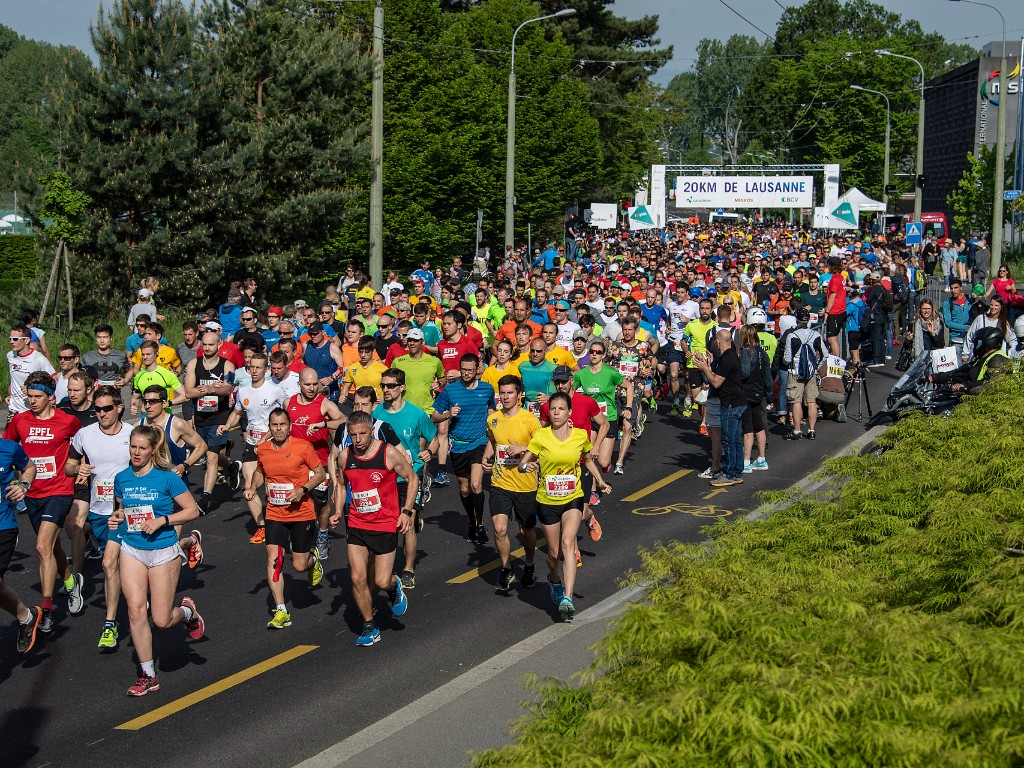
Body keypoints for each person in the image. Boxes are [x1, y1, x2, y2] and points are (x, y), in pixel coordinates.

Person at [109, 425, 205, 696]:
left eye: (142, 448)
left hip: (163, 551)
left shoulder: (166, 478)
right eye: (132, 446)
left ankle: (188, 613)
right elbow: (122, 511)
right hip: (132, 549)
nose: (136, 452)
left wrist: (163, 520)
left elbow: (191, 511)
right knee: (136, 611)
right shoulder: (122, 478)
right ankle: (148, 675)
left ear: (152, 450)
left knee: (161, 620)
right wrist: (117, 518)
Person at [518, 392, 612, 621]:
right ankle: (554, 579)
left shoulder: (580, 436)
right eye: (553, 409)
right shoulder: (541, 436)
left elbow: (587, 459)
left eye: (561, 409)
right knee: (554, 554)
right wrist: (526, 467)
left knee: (568, 542)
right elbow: (523, 463)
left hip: (572, 497)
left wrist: (600, 481)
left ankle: (567, 599)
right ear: (549, 413)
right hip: (547, 500)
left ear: (569, 412)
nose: (557, 413)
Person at [3, 371, 84, 632]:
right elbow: (7, 451)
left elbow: (82, 447)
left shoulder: (67, 421)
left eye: (38, 396)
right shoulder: (20, 421)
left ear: (51, 397)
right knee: (51, 547)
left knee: (41, 546)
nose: (32, 401)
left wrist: (82, 470)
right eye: (29, 396)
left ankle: (46, 609)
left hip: (59, 490)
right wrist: (16, 481)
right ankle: (71, 581)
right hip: (33, 494)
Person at [330, 411, 417, 647]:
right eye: (353, 435)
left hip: (385, 523)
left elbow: (412, 478)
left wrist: (406, 511)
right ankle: (369, 625)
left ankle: (393, 586)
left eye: (362, 434)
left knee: (380, 581)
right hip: (357, 522)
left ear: (371, 431)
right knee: (357, 578)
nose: (357, 439)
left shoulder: (387, 453)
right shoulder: (345, 456)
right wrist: (338, 510)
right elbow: (340, 484)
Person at [65, 385, 135, 650]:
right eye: (98, 409)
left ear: (119, 407)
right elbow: (70, 465)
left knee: (109, 564)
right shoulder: (85, 435)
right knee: (114, 564)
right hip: (98, 510)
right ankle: (135, 602)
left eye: (107, 408)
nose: (102, 413)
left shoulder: (131, 434)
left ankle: (109, 623)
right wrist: (78, 467)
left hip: (127, 511)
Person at [244, 409, 326, 629]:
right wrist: (252, 487)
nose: (278, 429)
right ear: (269, 427)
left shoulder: (303, 447)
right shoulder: (263, 449)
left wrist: (303, 489)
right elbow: (260, 472)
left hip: (302, 513)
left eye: (282, 425)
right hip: (274, 512)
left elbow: (320, 473)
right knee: (274, 557)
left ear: (289, 426)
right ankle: (281, 610)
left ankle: (312, 560)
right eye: (274, 425)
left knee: (299, 565)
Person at [373, 368, 437, 589]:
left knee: (407, 521)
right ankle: (384, 564)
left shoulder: (416, 413)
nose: (386, 390)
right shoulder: (376, 414)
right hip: (384, 477)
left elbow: (434, 437)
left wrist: (429, 452)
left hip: (410, 476)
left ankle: (408, 568)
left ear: (402, 387)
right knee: (386, 523)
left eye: (390, 386)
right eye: (383, 385)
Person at [218, 353, 288, 543]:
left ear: (266, 369)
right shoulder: (244, 390)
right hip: (252, 443)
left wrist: (273, 435)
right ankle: (262, 527)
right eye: (251, 367)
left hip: (272, 444)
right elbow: (237, 412)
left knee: (271, 487)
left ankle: (285, 522)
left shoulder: (275, 390)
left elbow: (287, 415)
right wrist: (226, 425)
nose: (254, 371)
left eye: (258, 367)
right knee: (249, 487)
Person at [481, 376, 540, 594]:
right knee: (499, 528)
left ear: (519, 394)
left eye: (510, 393)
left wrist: (524, 449)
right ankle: (506, 568)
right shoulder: (493, 419)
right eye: (502, 393)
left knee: (526, 531)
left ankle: (530, 564)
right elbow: (492, 441)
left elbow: (541, 449)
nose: (505, 397)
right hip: (500, 482)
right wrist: (486, 458)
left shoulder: (530, 420)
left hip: (525, 485)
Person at [431, 354, 495, 545]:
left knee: (476, 484)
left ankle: (481, 523)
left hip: (479, 442)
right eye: (463, 369)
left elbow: (492, 410)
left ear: (477, 370)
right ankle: (471, 522)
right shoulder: (451, 391)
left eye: (470, 369)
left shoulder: (487, 389)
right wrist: (449, 414)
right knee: (465, 488)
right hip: (458, 445)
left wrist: (494, 432)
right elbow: (435, 416)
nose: (466, 373)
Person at [286, 368, 346, 561]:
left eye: (315, 384)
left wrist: (325, 425)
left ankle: (322, 534)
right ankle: (301, 533)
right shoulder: (289, 403)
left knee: (320, 503)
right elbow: (281, 427)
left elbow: (344, 420)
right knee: (296, 500)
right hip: (295, 463)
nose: (312, 388)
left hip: (319, 463)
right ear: (299, 384)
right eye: (307, 384)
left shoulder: (324, 404)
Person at [183, 330, 237, 510]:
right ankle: (231, 466)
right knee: (209, 451)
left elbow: (228, 389)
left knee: (211, 457)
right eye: (204, 344)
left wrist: (211, 390)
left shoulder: (227, 365)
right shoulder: (193, 364)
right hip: (200, 416)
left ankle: (205, 498)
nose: (206, 348)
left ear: (219, 344)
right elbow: (189, 392)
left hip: (219, 416)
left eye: (210, 345)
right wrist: (210, 388)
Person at [0, 434, 39, 653]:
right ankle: (27, 616)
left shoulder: (9, 449)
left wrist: (23, 485)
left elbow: (29, 467)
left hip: (3, 527)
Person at [693, 330, 746, 486]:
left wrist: (705, 369)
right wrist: (708, 366)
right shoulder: (731, 356)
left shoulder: (728, 358)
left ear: (717, 342)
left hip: (730, 404)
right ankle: (736, 472)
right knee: (735, 440)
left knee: (729, 440)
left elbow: (715, 382)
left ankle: (730, 474)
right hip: (737, 402)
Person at [780, 308, 825, 440]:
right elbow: (825, 354)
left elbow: (787, 358)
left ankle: (797, 431)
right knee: (811, 401)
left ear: (797, 320)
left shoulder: (792, 336)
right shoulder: (816, 335)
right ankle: (811, 431)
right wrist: (816, 367)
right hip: (811, 372)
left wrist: (787, 364)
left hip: (795, 373)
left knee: (796, 401)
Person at [738, 325, 771, 473]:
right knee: (759, 426)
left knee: (747, 428)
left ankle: (746, 461)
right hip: (759, 393)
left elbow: (744, 372)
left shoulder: (746, 352)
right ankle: (762, 458)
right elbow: (767, 376)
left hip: (747, 392)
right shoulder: (762, 353)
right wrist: (769, 395)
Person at [6, 324, 55, 416]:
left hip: (31, 409)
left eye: (15, 339)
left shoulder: (39, 359)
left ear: (27, 340)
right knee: (9, 431)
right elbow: (14, 379)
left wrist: (33, 387)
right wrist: (10, 394)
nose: (12, 342)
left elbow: (54, 379)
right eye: (10, 339)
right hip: (14, 408)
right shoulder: (10, 356)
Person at [962, 294, 1014, 364]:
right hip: (980, 359)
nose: (993, 307)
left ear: (1001, 307)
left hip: (997, 361)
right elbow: (969, 336)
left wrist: (1011, 356)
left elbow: (1013, 340)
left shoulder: (1004, 323)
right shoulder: (980, 319)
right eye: (991, 305)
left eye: (996, 305)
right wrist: (965, 354)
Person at [823, 255, 847, 356]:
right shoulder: (841, 277)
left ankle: (837, 362)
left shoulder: (835, 279)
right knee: (834, 338)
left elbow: (832, 297)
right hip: (840, 310)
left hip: (835, 311)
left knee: (832, 338)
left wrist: (827, 312)